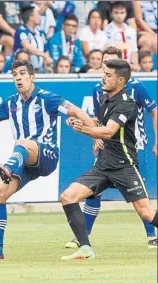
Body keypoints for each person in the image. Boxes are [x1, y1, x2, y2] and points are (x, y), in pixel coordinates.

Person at [0, 60, 96, 260]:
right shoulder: (11, 103)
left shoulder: (47, 98)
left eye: (22, 73)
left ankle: (8, 168)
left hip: (46, 155)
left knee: (24, 143)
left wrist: (96, 135)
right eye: (15, 74)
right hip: (24, 160)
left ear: (32, 77)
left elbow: (78, 112)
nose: (18, 77)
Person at [60, 59, 158, 260]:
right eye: (103, 73)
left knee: (147, 213)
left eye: (108, 75)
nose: (102, 77)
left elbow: (108, 131)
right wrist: (80, 121)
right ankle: (86, 249)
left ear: (121, 80)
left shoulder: (127, 103)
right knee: (68, 197)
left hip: (124, 166)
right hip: (103, 166)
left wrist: (83, 129)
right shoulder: (106, 99)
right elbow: (100, 123)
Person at [13, 5, 52, 73]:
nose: (39, 17)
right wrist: (43, 55)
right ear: (31, 18)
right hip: (23, 70)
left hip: (40, 70)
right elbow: (26, 46)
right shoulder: (21, 30)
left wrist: (47, 60)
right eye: (37, 15)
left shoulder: (40, 33)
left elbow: (46, 51)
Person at [105, 1, 140, 71]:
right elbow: (109, 52)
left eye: (122, 12)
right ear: (111, 14)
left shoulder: (131, 31)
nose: (119, 16)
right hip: (115, 65)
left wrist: (135, 65)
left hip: (130, 66)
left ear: (126, 13)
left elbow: (134, 50)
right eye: (116, 12)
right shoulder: (107, 30)